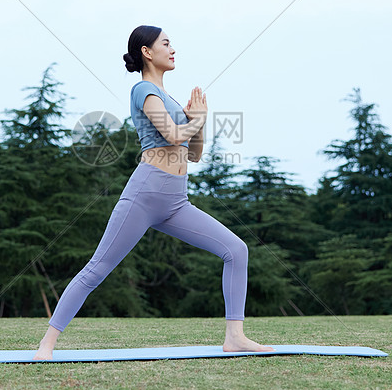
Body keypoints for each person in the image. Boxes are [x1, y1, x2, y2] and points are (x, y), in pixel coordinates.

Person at [33, 25, 273, 360]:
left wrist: (199, 121)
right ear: (147, 52)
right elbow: (173, 135)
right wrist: (193, 121)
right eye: (165, 43)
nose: (172, 49)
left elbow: (194, 153)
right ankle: (46, 344)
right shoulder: (143, 90)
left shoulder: (171, 99)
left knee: (236, 249)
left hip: (176, 201)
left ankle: (235, 336)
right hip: (145, 194)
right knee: (98, 268)